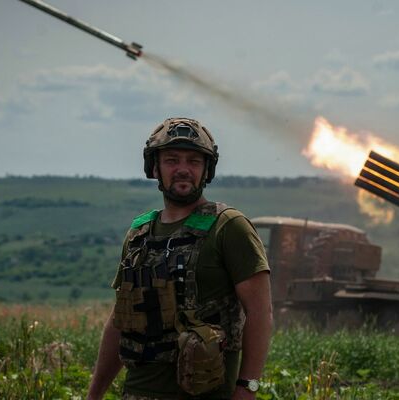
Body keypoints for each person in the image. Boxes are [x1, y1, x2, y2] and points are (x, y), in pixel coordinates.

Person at [87, 117, 272, 400]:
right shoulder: (139, 234)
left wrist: (247, 388)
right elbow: (119, 320)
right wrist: (95, 393)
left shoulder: (229, 227)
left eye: (194, 161)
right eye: (172, 160)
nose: (183, 169)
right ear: (155, 167)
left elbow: (260, 313)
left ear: (206, 170)